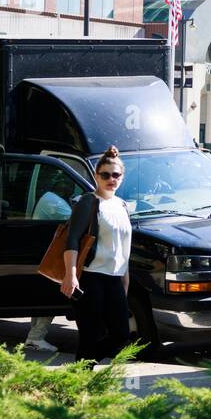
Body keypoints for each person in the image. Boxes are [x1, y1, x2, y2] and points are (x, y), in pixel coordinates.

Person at [62, 146, 132, 363]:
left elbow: (123, 245)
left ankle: (82, 371)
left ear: (122, 177)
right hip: (91, 277)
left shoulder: (122, 205)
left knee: (121, 335)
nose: (111, 179)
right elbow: (72, 238)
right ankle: (80, 385)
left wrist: (125, 278)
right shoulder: (89, 202)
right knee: (90, 336)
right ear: (96, 176)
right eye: (105, 175)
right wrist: (70, 274)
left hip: (115, 279)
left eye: (116, 175)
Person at [25, 173, 75, 353]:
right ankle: (36, 337)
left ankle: (33, 337)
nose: (70, 193)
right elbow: (75, 221)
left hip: (42, 255)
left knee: (41, 299)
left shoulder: (48, 197)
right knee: (49, 298)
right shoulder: (55, 202)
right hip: (51, 258)